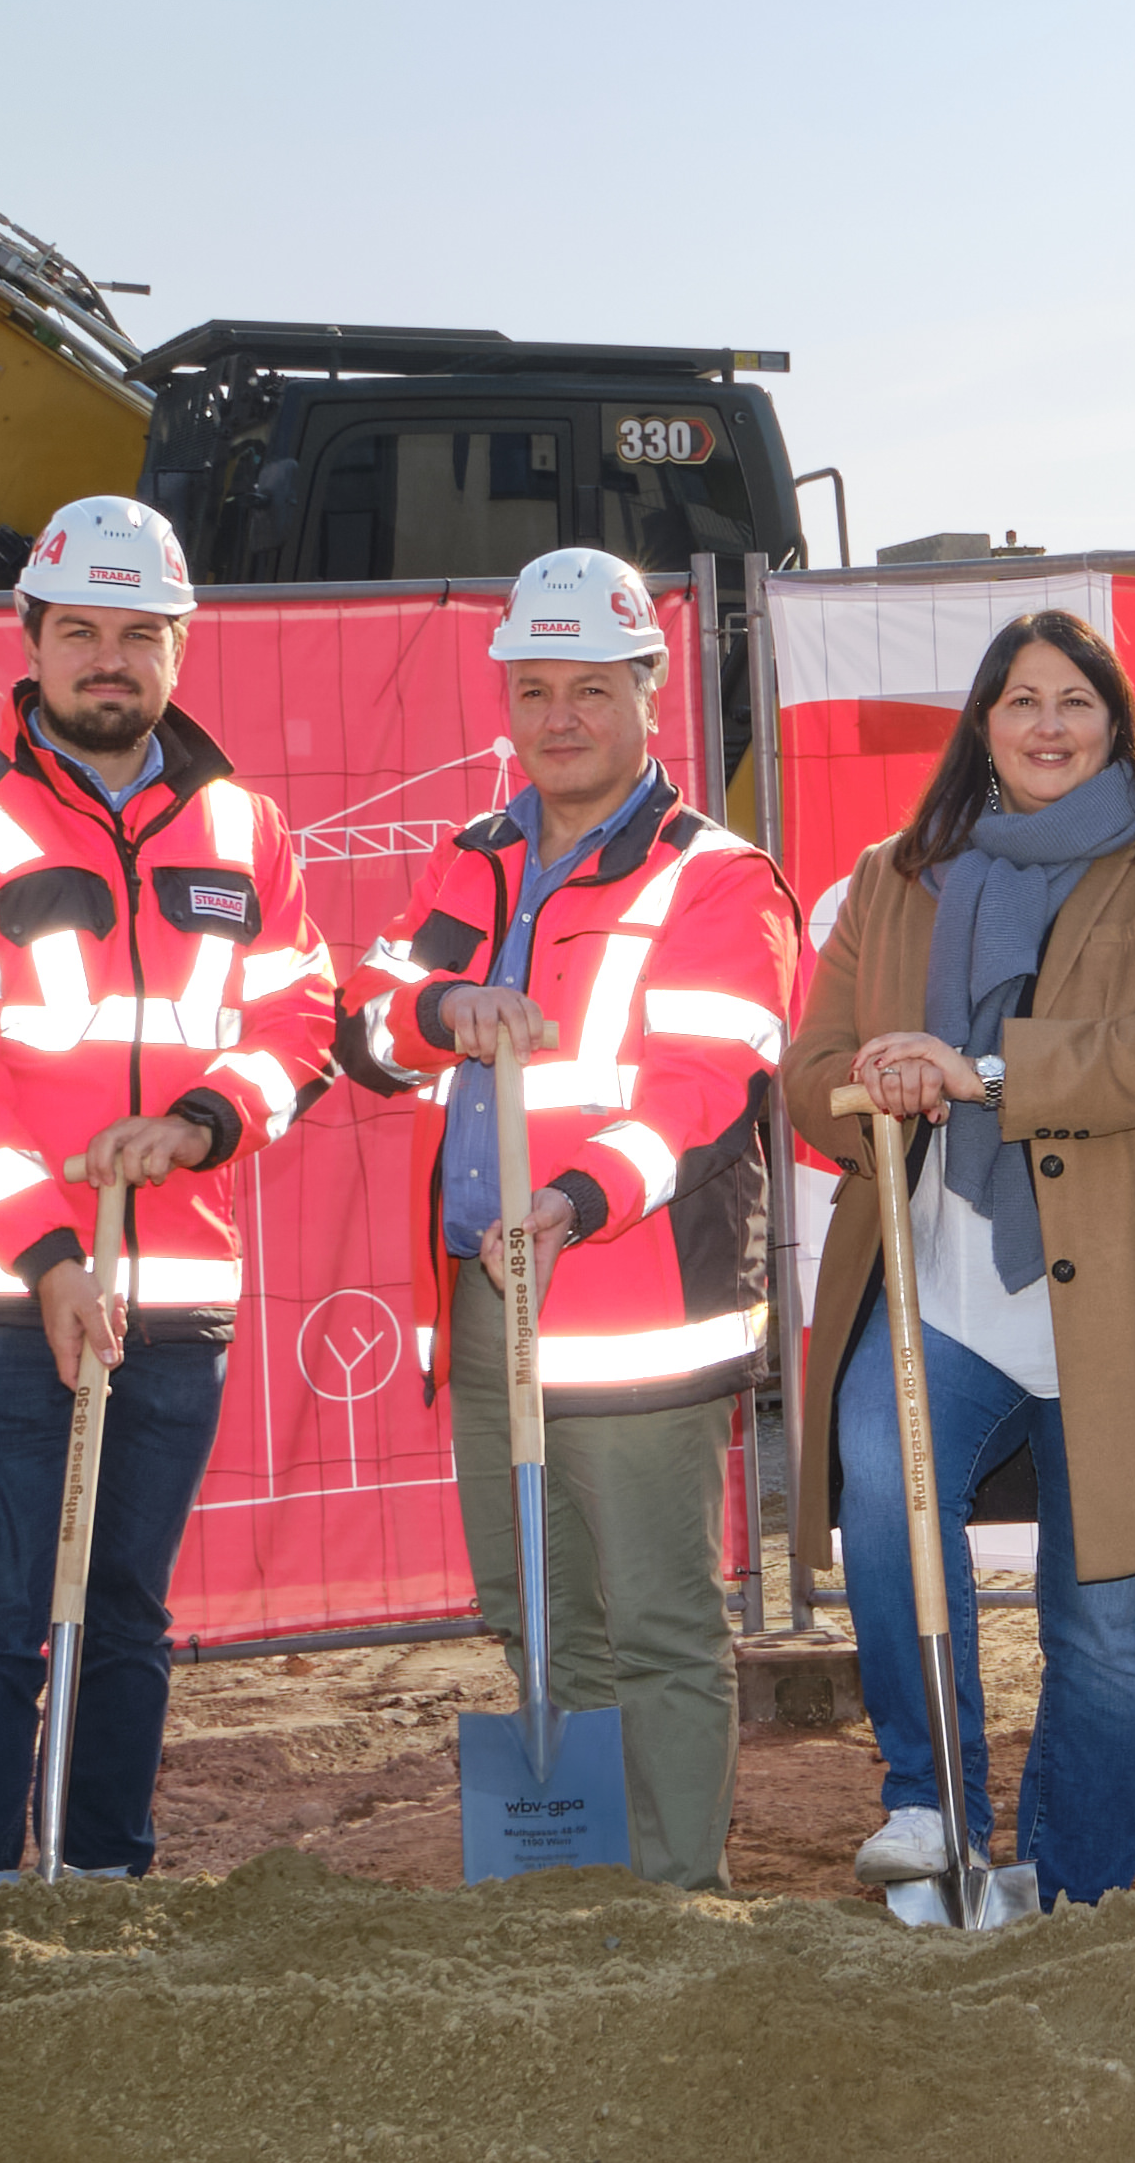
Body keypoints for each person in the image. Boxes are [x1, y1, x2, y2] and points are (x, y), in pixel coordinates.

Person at [0, 496, 340, 1894]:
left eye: (139, 633)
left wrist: (203, 1122)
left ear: (181, 646)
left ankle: (108, 1882)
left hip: (173, 1296)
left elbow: (301, 1016)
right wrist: (52, 1257)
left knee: (124, 1613)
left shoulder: (246, 828)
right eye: (80, 631)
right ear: (30, 642)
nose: (109, 660)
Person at [783, 604, 1135, 1907]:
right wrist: (878, 1078)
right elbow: (811, 1067)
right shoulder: (896, 874)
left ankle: (1076, 1901)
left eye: (1075, 701)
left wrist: (988, 1073)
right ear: (984, 723)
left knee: (1104, 1639)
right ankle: (932, 1800)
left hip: (1133, 1292)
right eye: (1022, 700)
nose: (1048, 726)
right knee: (885, 1478)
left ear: (1115, 722)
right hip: (947, 1286)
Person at [335, 547, 801, 1891]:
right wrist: (438, 1009)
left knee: (655, 1620)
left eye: (591, 688)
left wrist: (573, 1200)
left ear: (652, 691)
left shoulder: (715, 877)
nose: (559, 718)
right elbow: (364, 1029)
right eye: (533, 689)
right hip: (488, 1302)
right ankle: (593, 1887)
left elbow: (702, 1094)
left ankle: (677, 1898)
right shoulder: (471, 860)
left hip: (632, 1306)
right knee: (533, 1608)